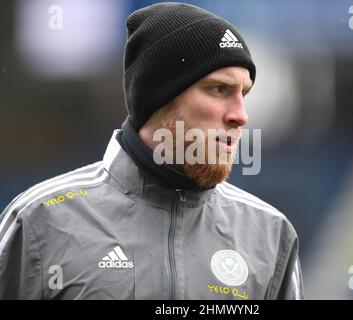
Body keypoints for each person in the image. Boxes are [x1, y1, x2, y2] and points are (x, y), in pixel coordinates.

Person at [0, 2, 304, 300]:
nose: (241, 115)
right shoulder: (40, 221)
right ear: (161, 97)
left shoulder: (270, 235)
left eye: (244, 93)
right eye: (219, 89)